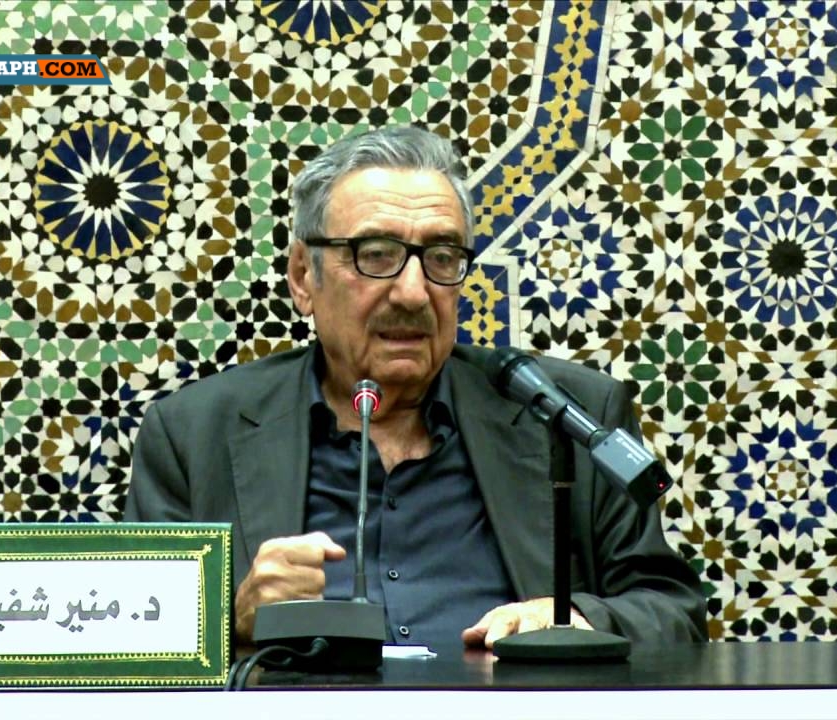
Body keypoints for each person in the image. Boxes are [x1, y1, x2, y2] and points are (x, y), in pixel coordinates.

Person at [125, 125, 707, 650]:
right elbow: (130, 638)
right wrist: (232, 617)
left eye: (441, 256)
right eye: (376, 255)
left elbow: (672, 613)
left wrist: (573, 619)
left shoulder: (564, 414)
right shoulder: (195, 432)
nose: (412, 292)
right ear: (304, 277)